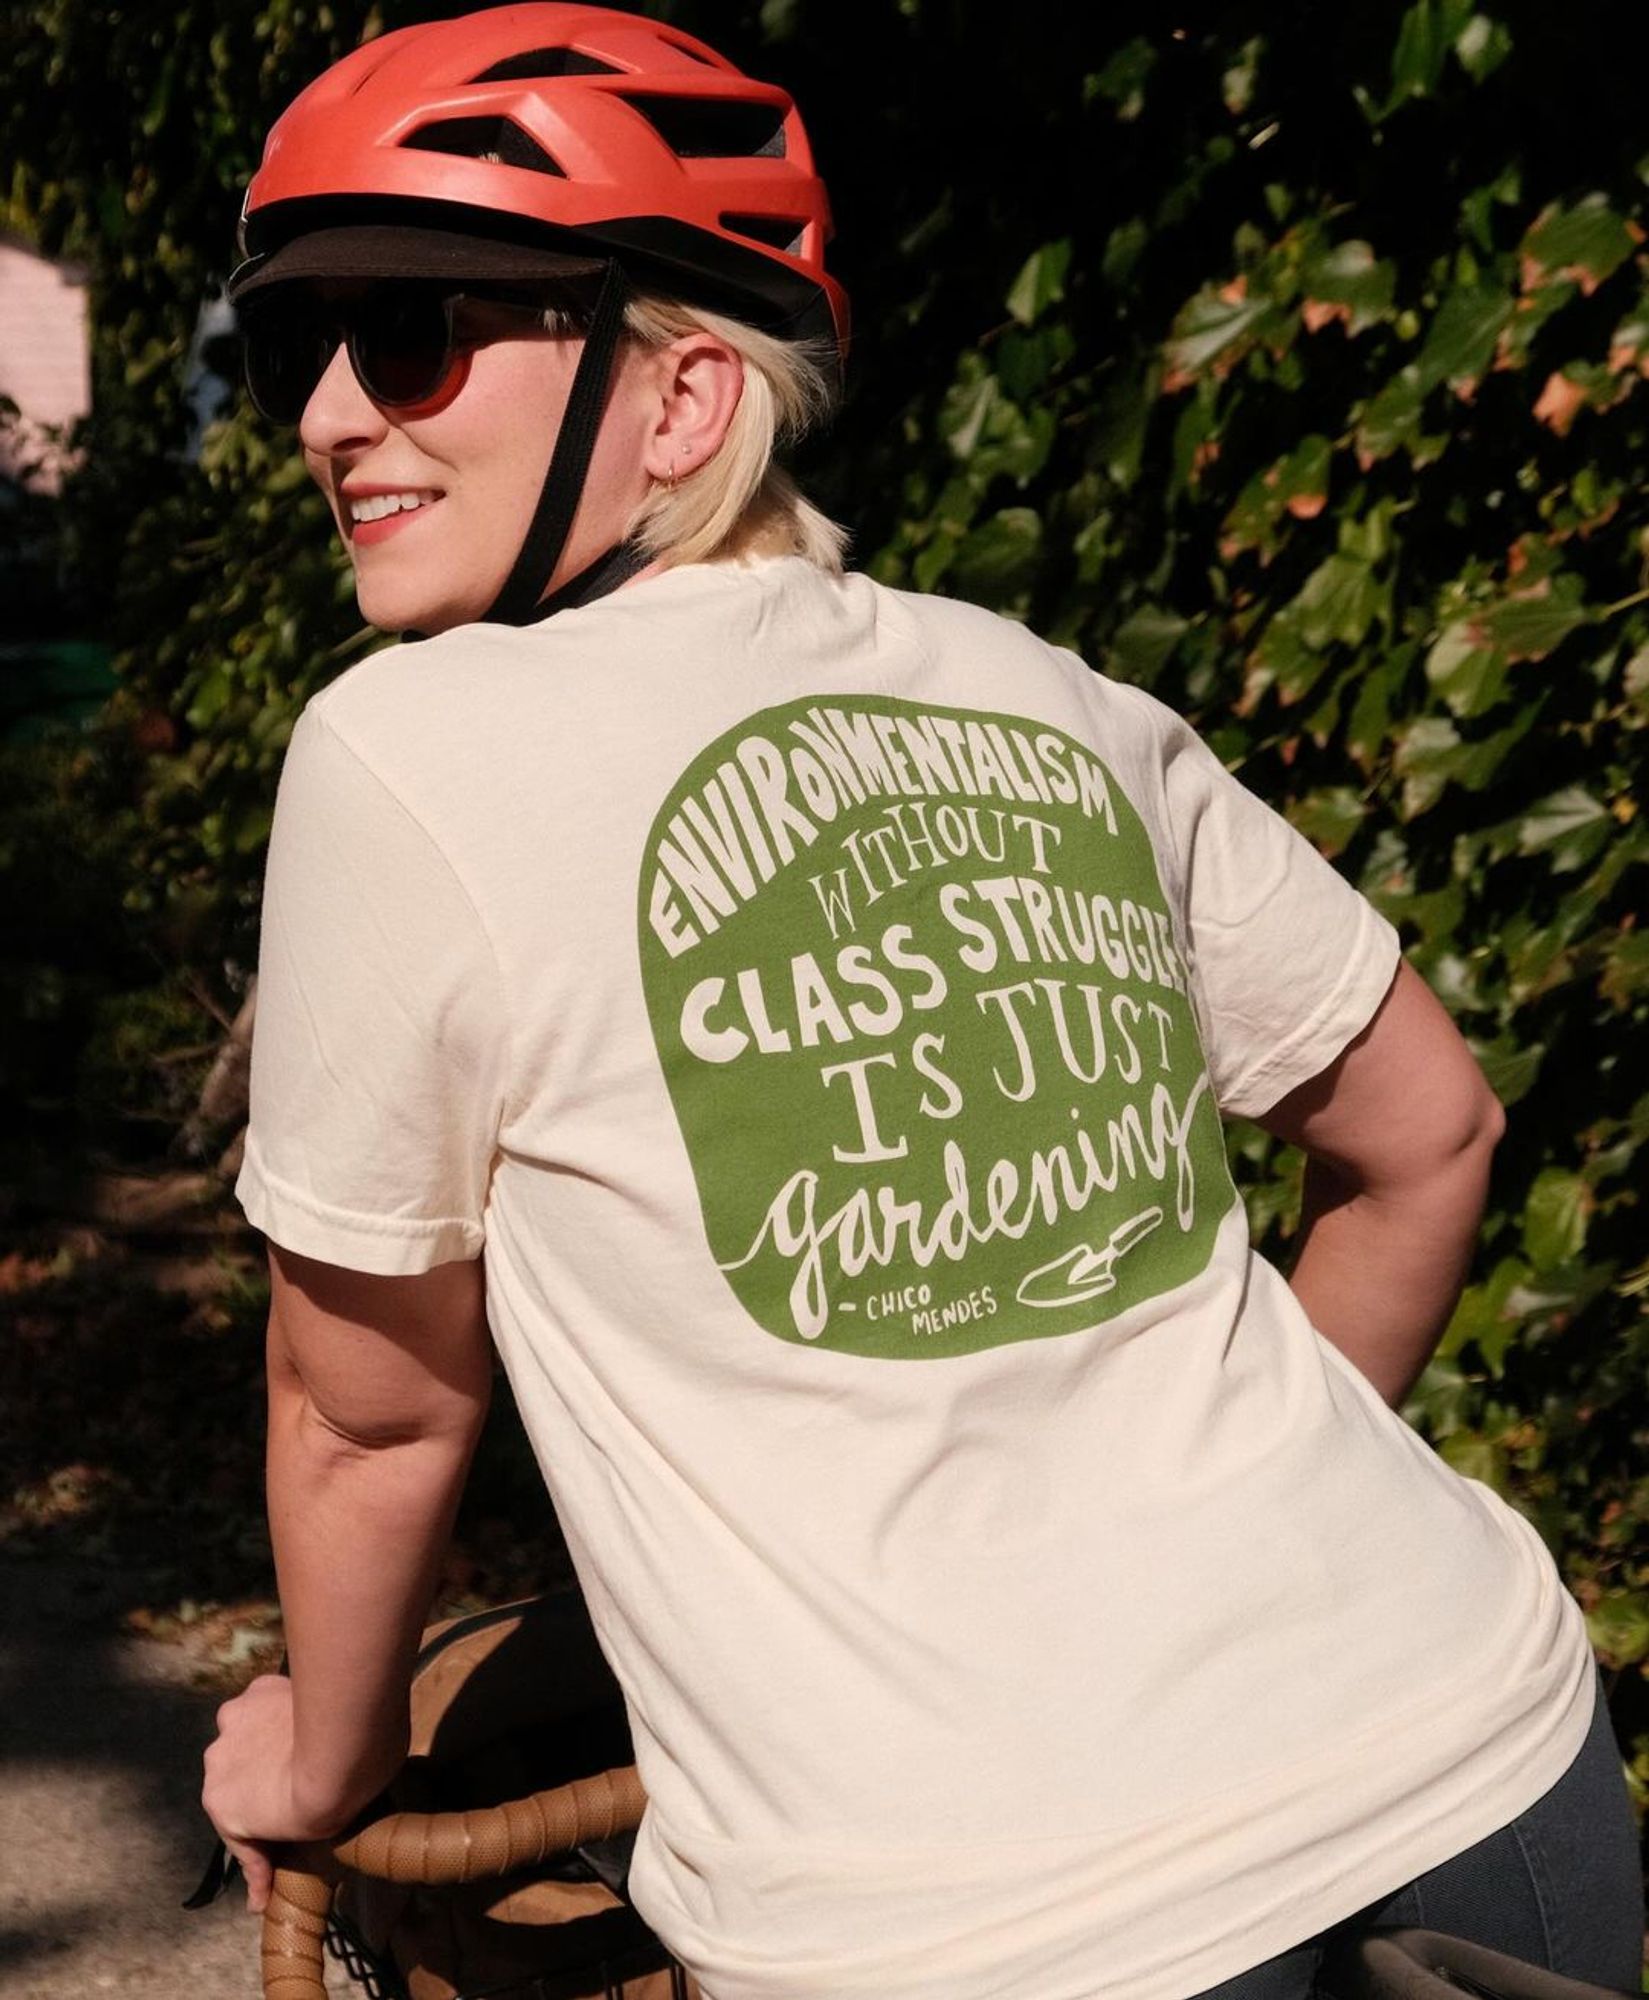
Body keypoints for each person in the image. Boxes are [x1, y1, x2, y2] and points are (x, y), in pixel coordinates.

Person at [200, 9, 1644, 1998]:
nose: (330, 416)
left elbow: (366, 1411)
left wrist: (321, 1748)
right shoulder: (1046, 691)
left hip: (977, 1926)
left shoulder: (402, 754)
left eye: (416, 328)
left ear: (686, 395)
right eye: (300, 345)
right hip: (1488, 1754)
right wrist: (1199, 1576)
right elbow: (1433, 1134)